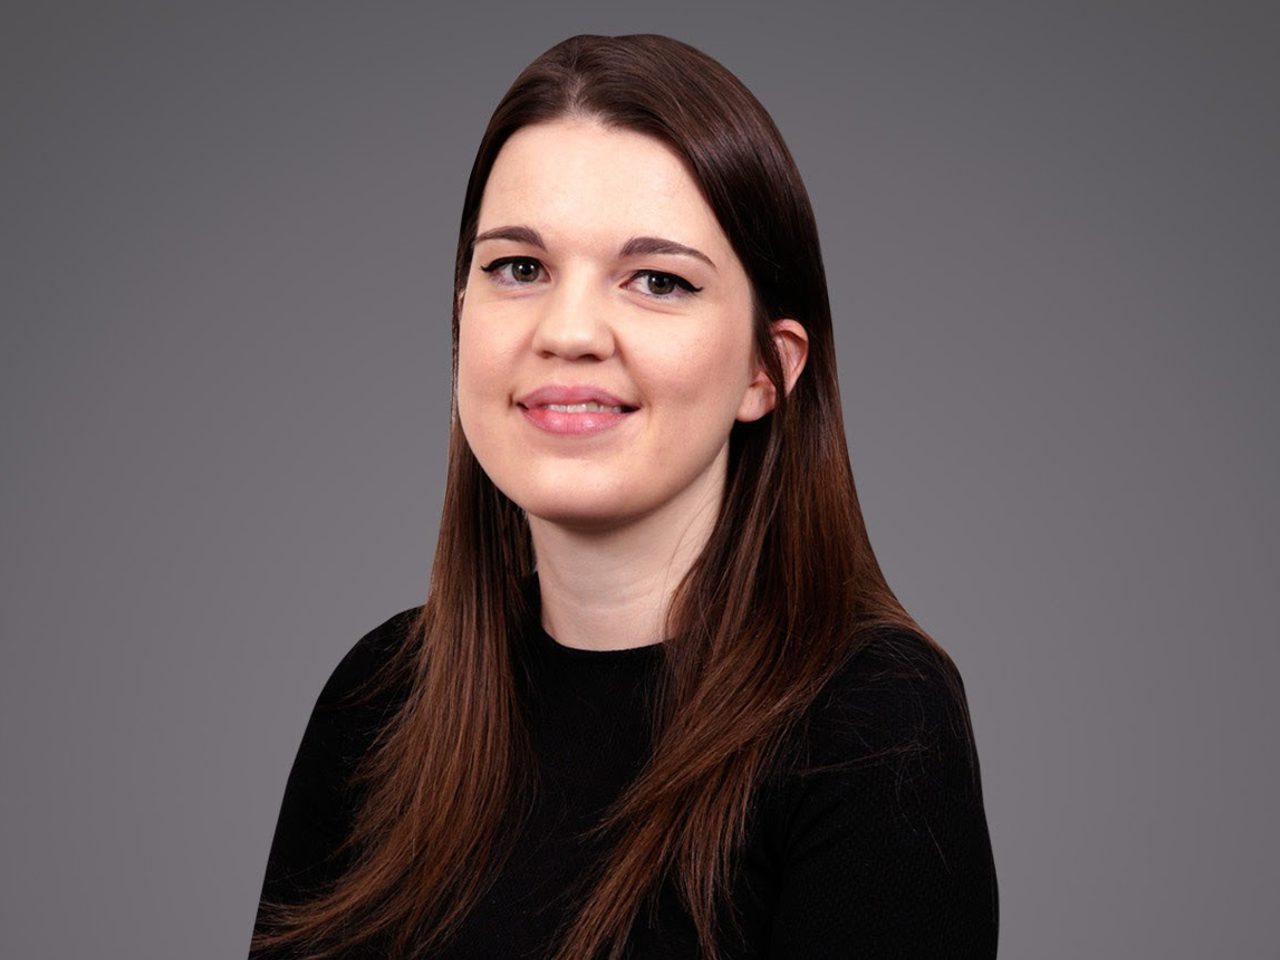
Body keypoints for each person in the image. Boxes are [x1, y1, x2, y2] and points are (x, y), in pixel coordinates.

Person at [249, 33, 998, 960]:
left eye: (657, 281)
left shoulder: (873, 724)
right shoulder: (376, 700)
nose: (567, 332)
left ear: (769, 371)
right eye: (519, 269)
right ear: (460, 322)